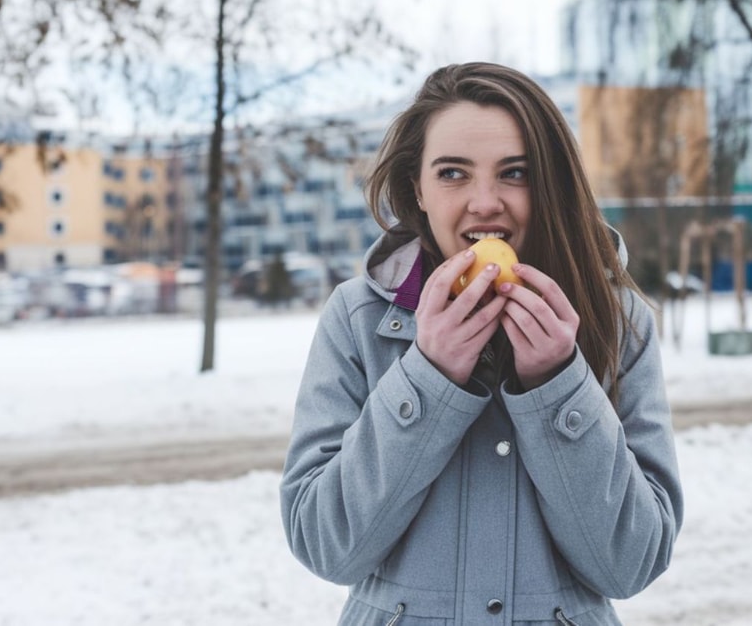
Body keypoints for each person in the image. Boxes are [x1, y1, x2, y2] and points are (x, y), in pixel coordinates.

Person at [280, 62, 683, 625]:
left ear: (552, 186)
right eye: (452, 173)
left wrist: (559, 384)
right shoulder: (358, 317)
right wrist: (428, 378)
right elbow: (326, 544)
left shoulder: (618, 321)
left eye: (515, 173)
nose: (485, 202)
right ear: (417, 189)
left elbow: (631, 563)